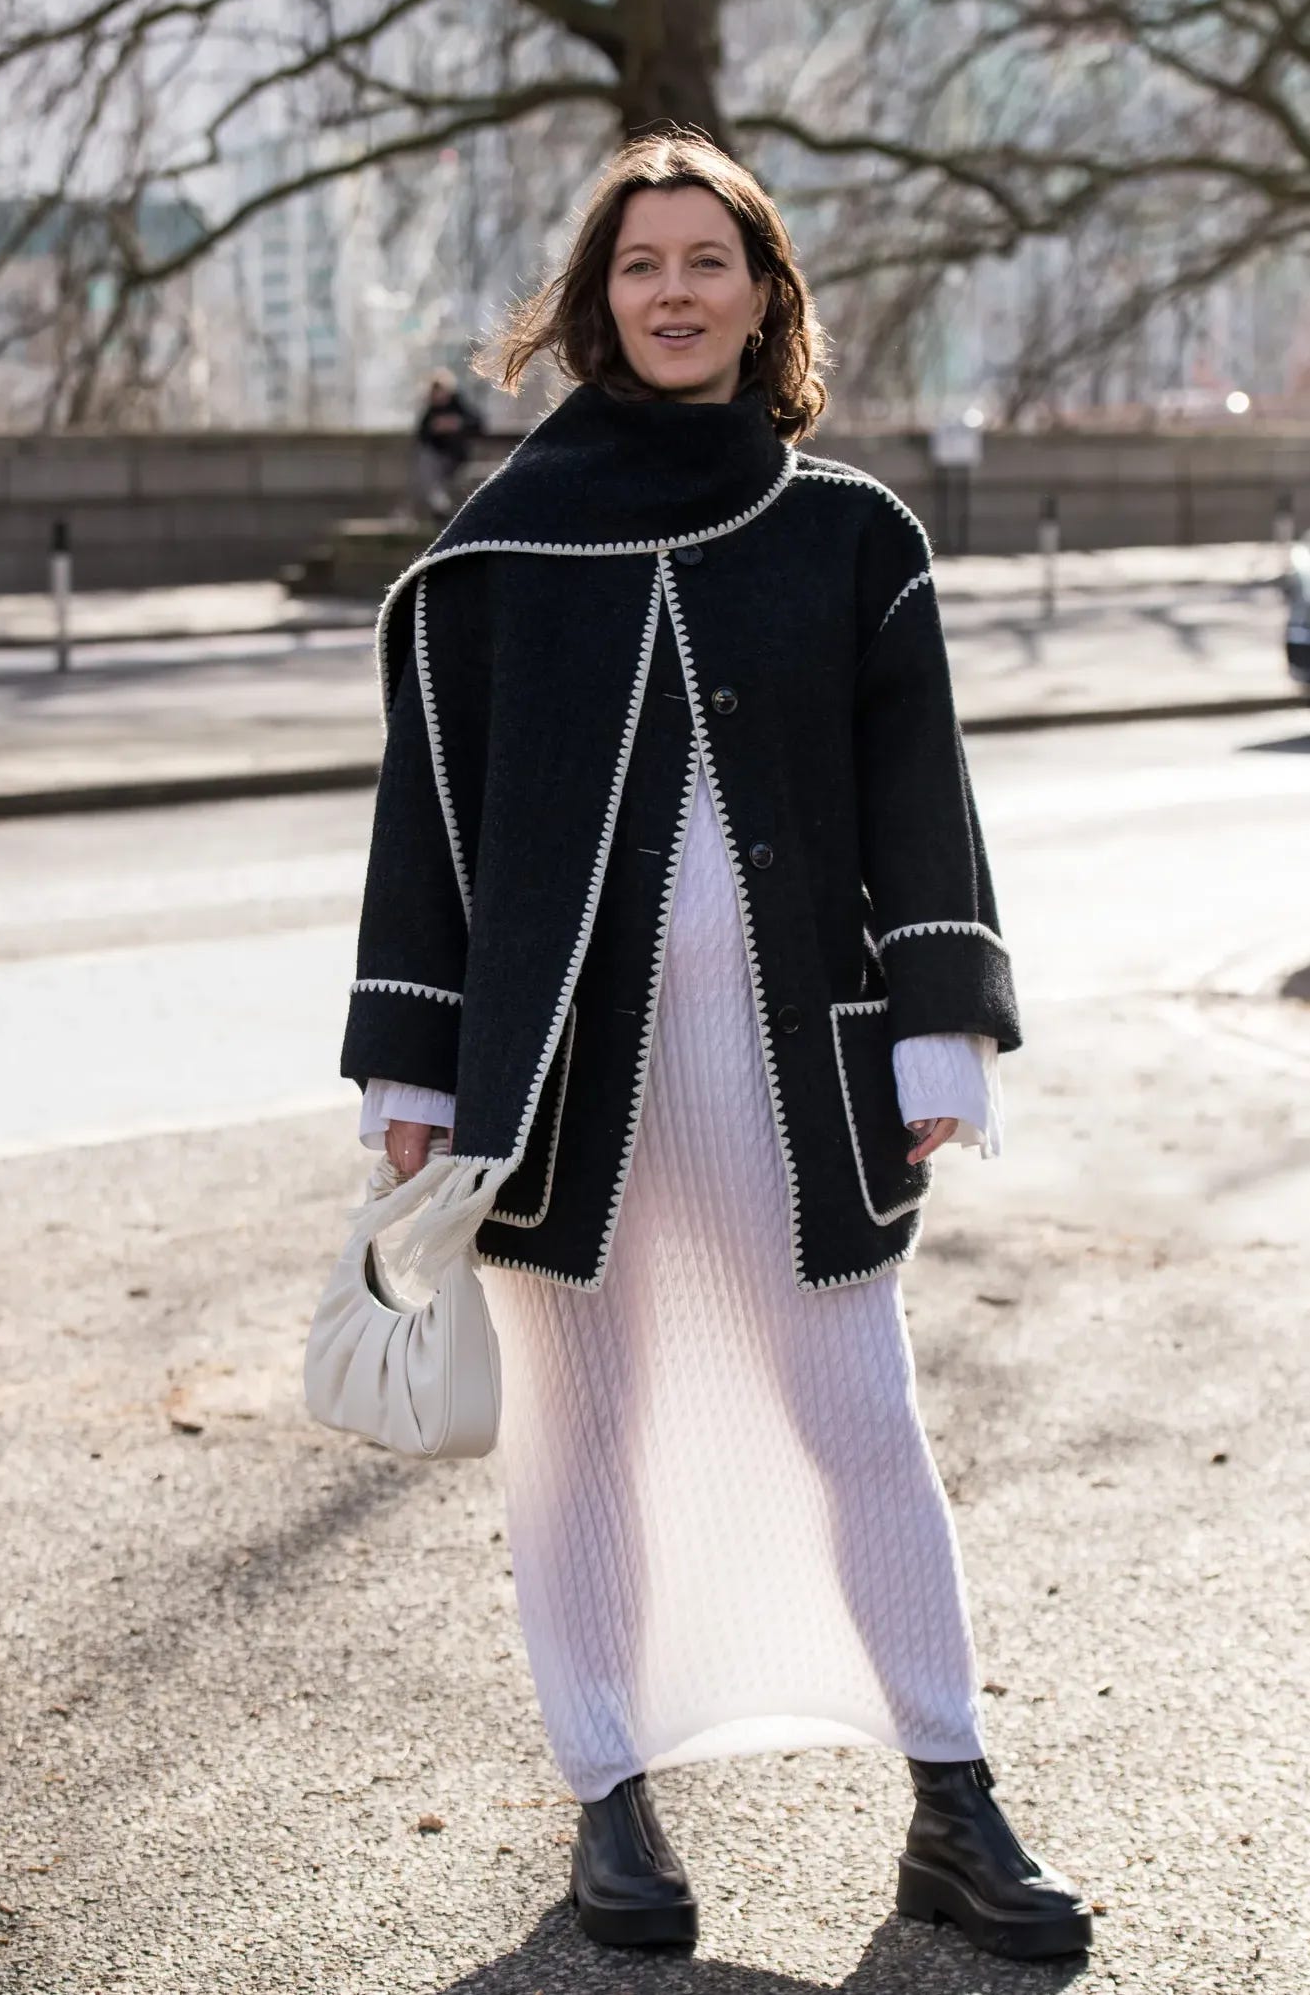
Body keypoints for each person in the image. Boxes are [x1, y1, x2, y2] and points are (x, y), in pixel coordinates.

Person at [341, 130, 1090, 1963]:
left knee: (860, 1417)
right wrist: (412, 1072)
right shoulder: (494, 551)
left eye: (707, 261)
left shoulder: (851, 534)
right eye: (639, 264)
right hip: (553, 1083)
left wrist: (940, 1031)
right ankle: (608, 1794)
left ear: (764, 299)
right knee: (580, 1436)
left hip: (799, 1071)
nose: (673, 290)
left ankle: (952, 1798)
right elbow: (426, 827)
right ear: (595, 304)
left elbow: (922, 797)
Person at [412, 366, 484, 520]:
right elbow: (421, 434)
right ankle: (439, 503)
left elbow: (478, 423)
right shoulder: (431, 410)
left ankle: (440, 503)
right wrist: (434, 428)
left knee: (430, 470)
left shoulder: (458, 404)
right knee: (426, 462)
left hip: (455, 456)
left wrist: (457, 423)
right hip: (436, 456)